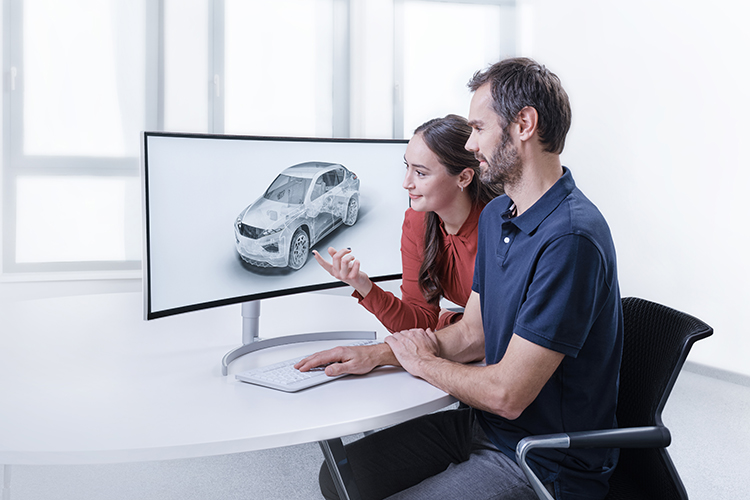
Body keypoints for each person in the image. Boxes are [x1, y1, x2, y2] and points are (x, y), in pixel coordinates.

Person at [297, 57, 623, 500]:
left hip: (540, 458)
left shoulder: (571, 237)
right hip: (483, 423)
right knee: (343, 477)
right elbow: (472, 333)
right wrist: (377, 354)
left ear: (524, 123)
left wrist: (423, 362)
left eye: (478, 128)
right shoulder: (496, 215)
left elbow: (508, 393)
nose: (471, 144)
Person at [313, 114, 500, 332]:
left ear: (463, 178)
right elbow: (419, 322)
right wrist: (362, 285)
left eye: (420, 173)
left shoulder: (498, 227)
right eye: (407, 167)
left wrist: (450, 322)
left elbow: (500, 325)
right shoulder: (417, 222)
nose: (406, 183)